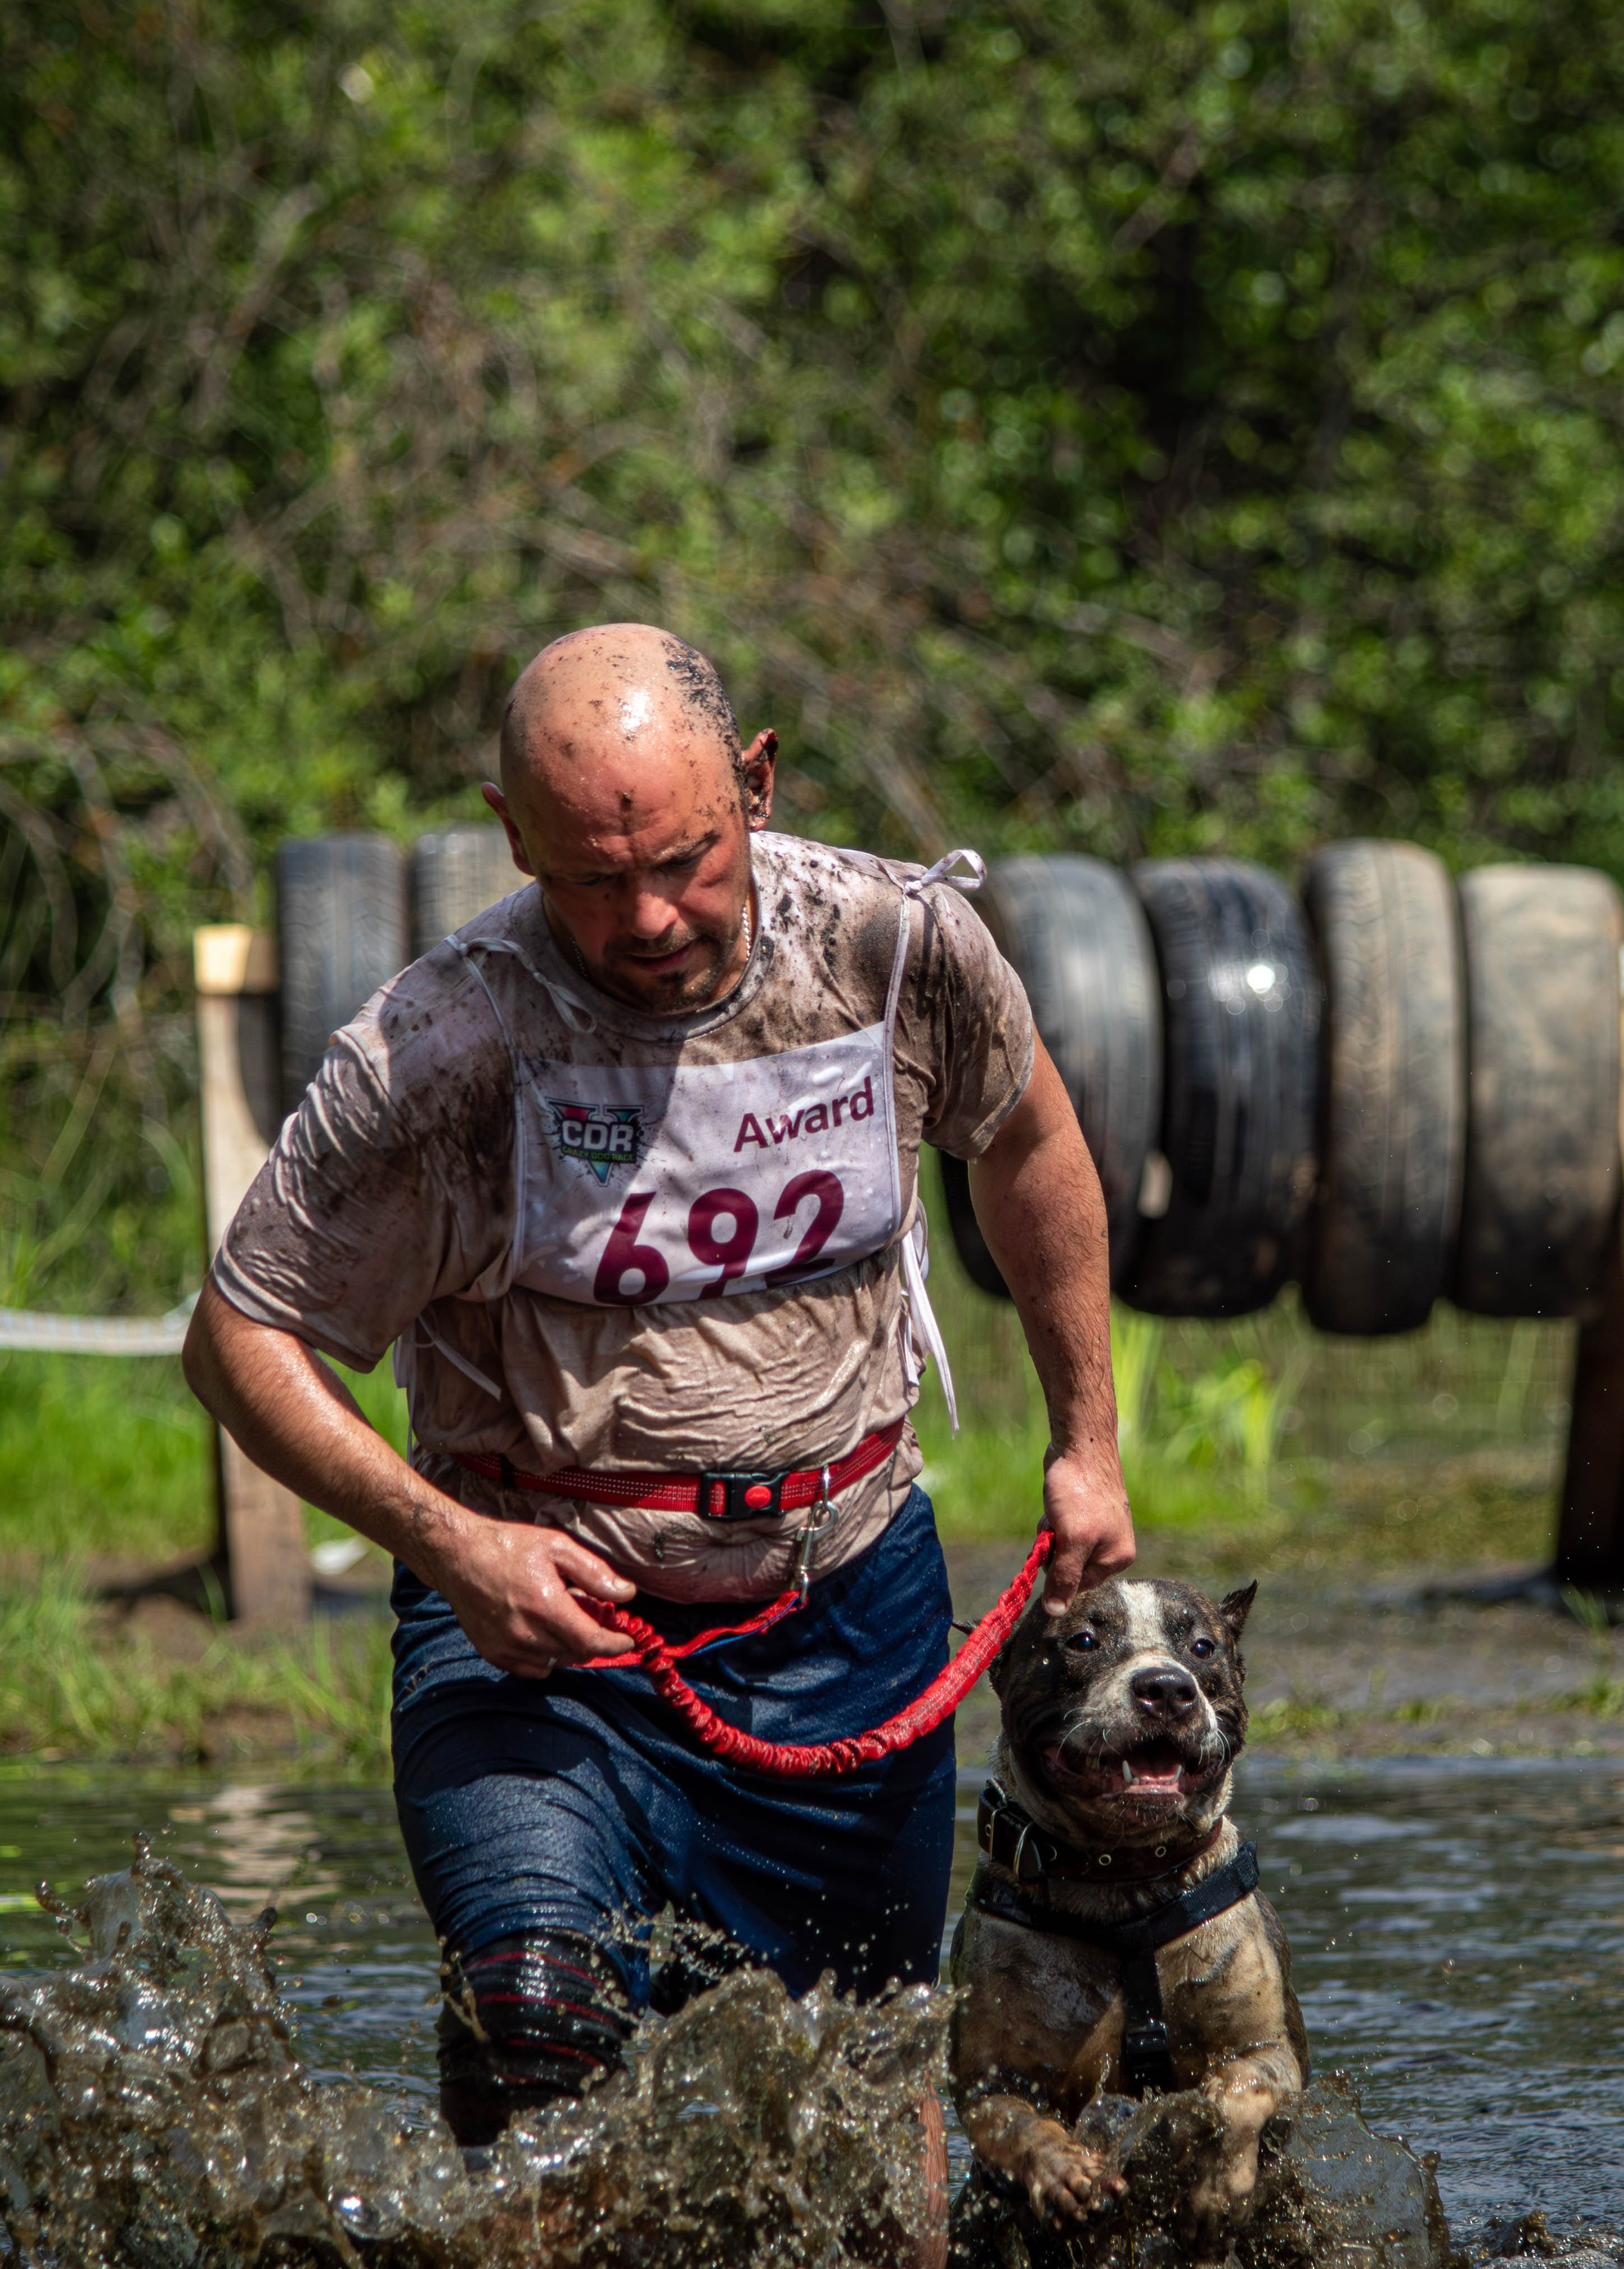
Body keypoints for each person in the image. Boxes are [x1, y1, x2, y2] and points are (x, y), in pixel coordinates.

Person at [185, 623, 1135, 2140]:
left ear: (755, 784)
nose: (644, 917)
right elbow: (239, 1334)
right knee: (534, 2028)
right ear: (510, 839)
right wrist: (449, 1545)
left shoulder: (893, 951)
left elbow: (1027, 1145)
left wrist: (1087, 1442)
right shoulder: (445, 1048)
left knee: (860, 2114)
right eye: (586, 877)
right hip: (544, 1639)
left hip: (847, 1607)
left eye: (684, 859)